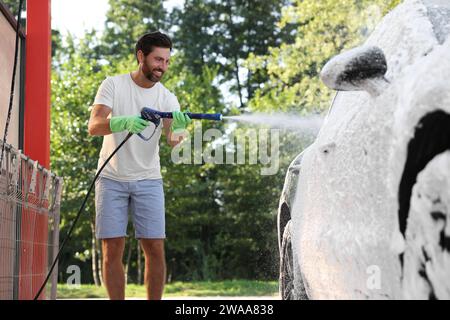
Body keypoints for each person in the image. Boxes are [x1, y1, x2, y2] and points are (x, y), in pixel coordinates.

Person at [88, 31, 191, 300]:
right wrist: (121, 122)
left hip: (148, 179)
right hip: (111, 178)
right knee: (112, 249)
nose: (163, 67)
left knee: (155, 247)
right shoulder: (113, 85)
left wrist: (179, 129)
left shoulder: (167, 98)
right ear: (141, 56)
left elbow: (173, 140)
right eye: (158, 59)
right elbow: (94, 126)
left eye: (167, 61)